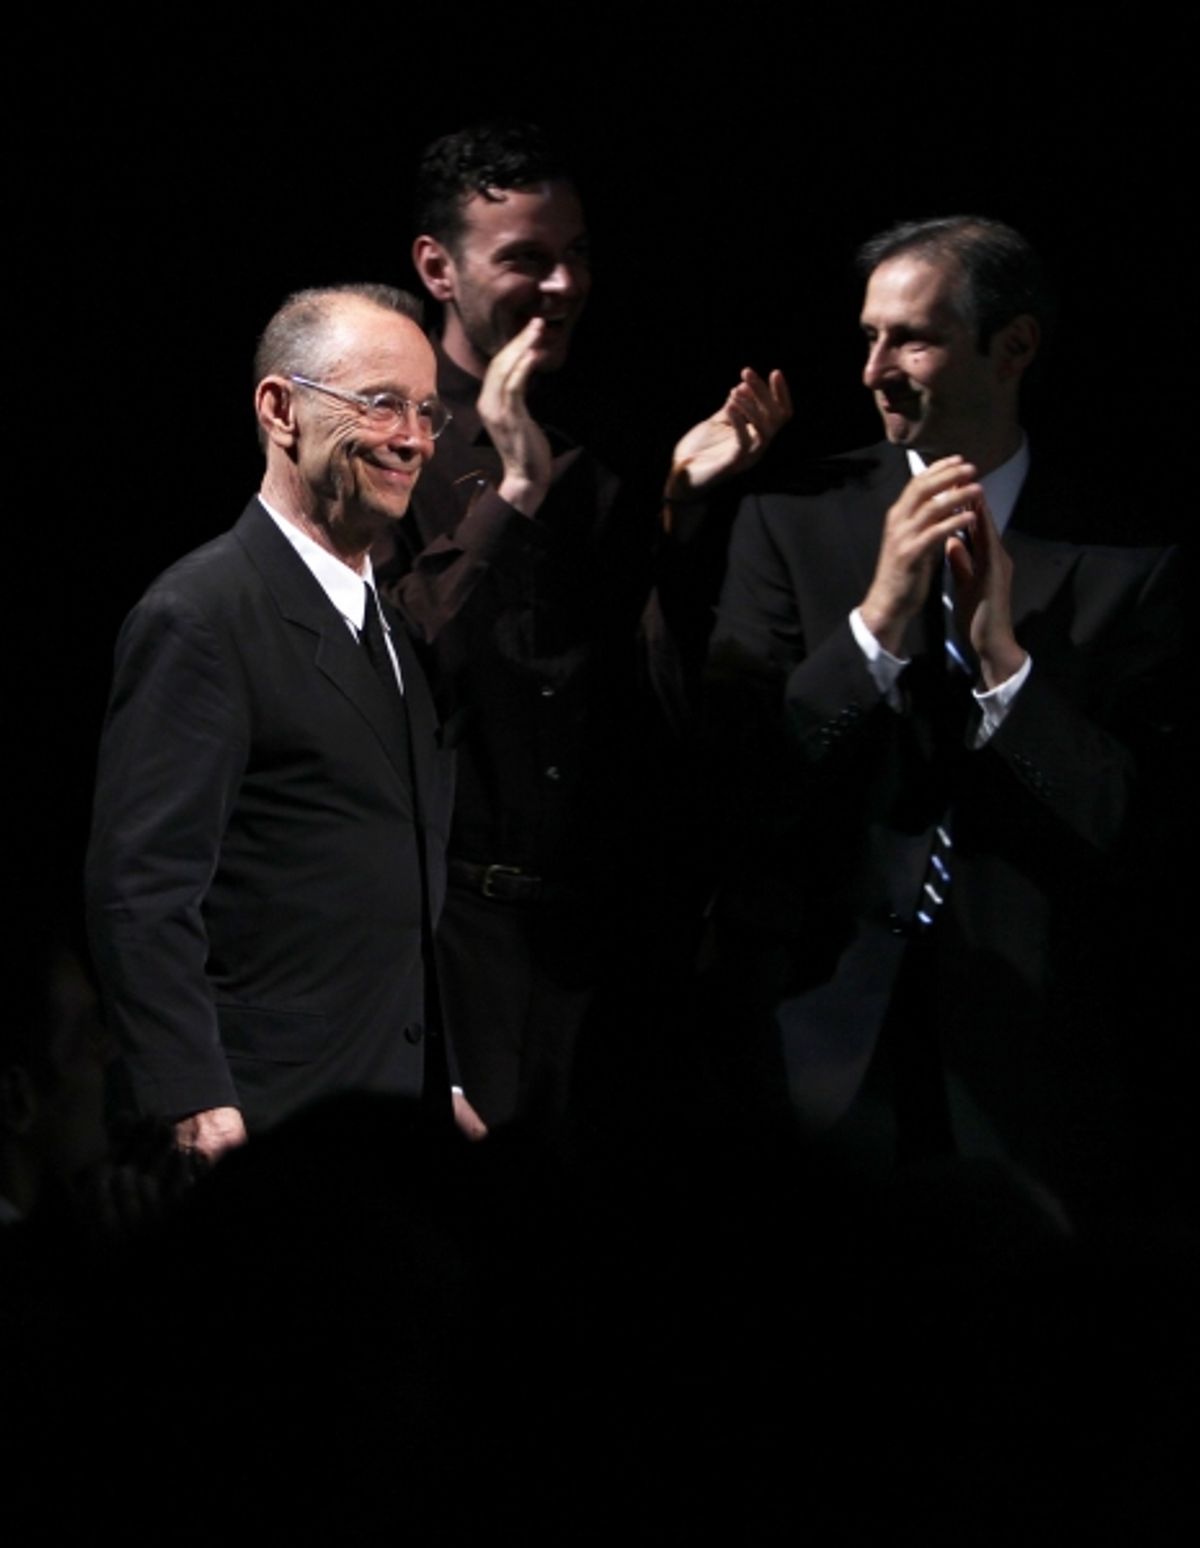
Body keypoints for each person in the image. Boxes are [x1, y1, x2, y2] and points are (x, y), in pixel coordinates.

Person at [708, 216, 1182, 1223]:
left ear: (1013, 348)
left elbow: (1134, 826)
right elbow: (743, 789)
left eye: (912, 339)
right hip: (821, 1048)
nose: (875, 367)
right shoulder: (791, 519)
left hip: (1036, 1060)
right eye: (869, 337)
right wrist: (875, 626)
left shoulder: (1129, 561)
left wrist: (1008, 665)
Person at [378, 122, 791, 1133]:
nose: (563, 286)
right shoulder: (374, 448)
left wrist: (681, 513)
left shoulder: (597, 463)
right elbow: (384, 671)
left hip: (597, 954)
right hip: (440, 946)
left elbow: (664, 704)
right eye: (525, 258)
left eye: (577, 256)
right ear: (438, 267)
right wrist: (510, 494)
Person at [87, 283, 482, 1163]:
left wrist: (441, 1078)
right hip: (266, 1123)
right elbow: (141, 889)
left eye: (426, 411)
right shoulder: (202, 614)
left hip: (387, 1113)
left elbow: (391, 883)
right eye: (380, 404)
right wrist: (191, 1094)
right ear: (281, 409)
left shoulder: (392, 627)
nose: (413, 438)